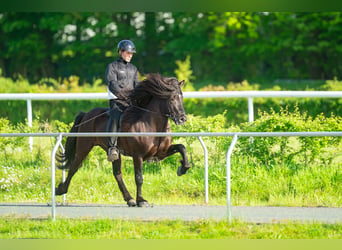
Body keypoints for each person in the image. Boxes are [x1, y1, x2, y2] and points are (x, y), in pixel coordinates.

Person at [105, 39, 139, 161]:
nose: (130, 55)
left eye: (131, 53)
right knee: (115, 117)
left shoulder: (134, 69)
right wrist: (126, 96)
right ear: (120, 52)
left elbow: (137, 86)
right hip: (117, 102)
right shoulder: (112, 67)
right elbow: (112, 85)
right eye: (128, 53)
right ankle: (112, 148)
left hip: (131, 102)